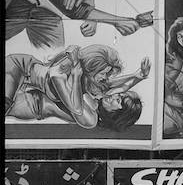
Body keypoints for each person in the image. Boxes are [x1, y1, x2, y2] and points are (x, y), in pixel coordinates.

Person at [5, 45, 148, 131]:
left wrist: (137, 77)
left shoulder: (90, 117)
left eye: (119, 100)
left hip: (28, 101)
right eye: (103, 73)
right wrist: (137, 76)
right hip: (18, 70)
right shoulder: (63, 75)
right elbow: (113, 86)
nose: (115, 95)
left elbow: (76, 108)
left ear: (117, 114)